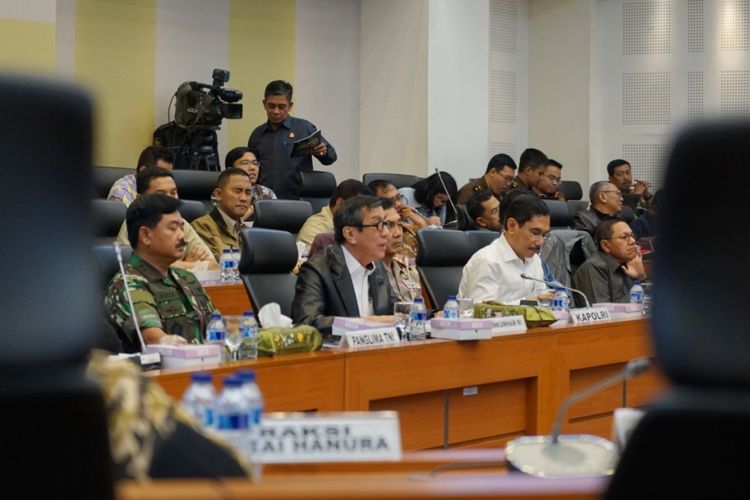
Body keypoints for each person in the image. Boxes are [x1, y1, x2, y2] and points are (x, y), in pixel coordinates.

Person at [105, 194, 219, 352]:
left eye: (182, 228)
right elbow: (154, 338)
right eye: (172, 228)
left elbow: (218, 325)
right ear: (145, 236)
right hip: (164, 372)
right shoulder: (129, 283)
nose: (181, 236)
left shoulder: (186, 277)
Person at [292, 195, 397, 335]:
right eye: (377, 225)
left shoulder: (376, 266)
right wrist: (365, 323)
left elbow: (395, 310)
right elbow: (307, 323)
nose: (386, 233)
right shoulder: (318, 269)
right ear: (350, 234)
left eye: (385, 224)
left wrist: (433, 315)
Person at [247, 80, 337, 199]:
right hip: (264, 200)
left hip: (298, 200)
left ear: (290, 105)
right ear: (264, 104)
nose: (276, 111)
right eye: (271, 106)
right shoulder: (257, 134)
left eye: (281, 107)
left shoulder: (304, 128)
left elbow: (331, 157)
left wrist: (323, 152)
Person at [115, 167, 218, 271]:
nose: (169, 199)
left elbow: (213, 266)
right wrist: (188, 264)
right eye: (161, 194)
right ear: (140, 197)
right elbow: (141, 265)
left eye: (173, 193)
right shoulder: (134, 225)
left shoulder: (182, 223)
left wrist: (180, 266)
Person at [458, 194, 554, 304]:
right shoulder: (487, 260)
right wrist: (525, 303)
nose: (540, 242)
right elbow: (480, 311)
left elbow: (541, 301)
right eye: (535, 233)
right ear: (512, 226)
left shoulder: (535, 260)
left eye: (544, 235)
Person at [572, 219, 646, 306]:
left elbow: (650, 304)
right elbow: (601, 311)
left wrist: (640, 277)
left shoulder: (629, 263)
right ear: (605, 245)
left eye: (632, 235)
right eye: (624, 237)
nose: (633, 241)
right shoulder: (593, 267)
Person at [191, 168, 253, 261]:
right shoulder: (202, 227)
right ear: (218, 194)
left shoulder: (248, 231)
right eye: (237, 191)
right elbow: (212, 267)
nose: (244, 198)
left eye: (248, 193)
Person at [297, 179, 372, 253]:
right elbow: (312, 263)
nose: (362, 216)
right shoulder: (315, 228)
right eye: (358, 210)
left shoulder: (356, 227)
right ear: (340, 204)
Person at [368, 179, 431, 258]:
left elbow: (431, 254)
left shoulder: (407, 227)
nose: (398, 204)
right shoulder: (376, 233)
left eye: (398, 198)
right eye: (390, 202)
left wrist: (422, 223)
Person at [381, 197, 421, 302]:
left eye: (399, 224)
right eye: (388, 225)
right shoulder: (368, 275)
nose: (398, 233)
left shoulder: (408, 269)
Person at [108, 146, 174, 206]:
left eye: (169, 175)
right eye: (161, 174)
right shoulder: (121, 192)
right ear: (143, 171)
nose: (167, 180)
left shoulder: (170, 191)